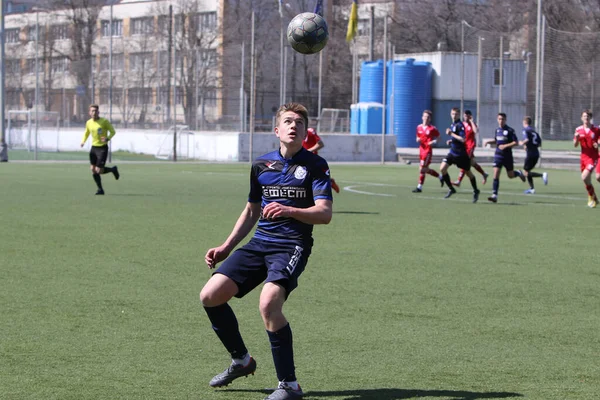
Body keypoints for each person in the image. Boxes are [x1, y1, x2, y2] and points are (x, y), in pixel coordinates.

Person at [201, 102, 333, 400]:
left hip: (291, 246)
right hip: (259, 244)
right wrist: (226, 247)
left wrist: (288, 209)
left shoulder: (316, 165)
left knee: (269, 304)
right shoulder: (261, 165)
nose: (294, 125)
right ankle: (241, 361)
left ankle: (289, 385)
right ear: (277, 130)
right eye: (288, 121)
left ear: (305, 131)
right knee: (210, 296)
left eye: (299, 122)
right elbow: (251, 212)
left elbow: (324, 214)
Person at [438, 107, 480, 202]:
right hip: (453, 153)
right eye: (453, 114)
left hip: (461, 155)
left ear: (459, 115)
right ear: (450, 114)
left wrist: (451, 134)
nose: (454, 115)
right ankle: (451, 189)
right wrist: (451, 141)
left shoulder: (460, 125)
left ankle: (476, 190)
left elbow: (462, 139)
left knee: (469, 173)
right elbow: (457, 139)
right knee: (442, 168)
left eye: (456, 114)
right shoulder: (453, 124)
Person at [482, 113, 525, 203]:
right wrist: (489, 142)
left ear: (505, 120)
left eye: (503, 119)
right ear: (497, 120)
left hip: (507, 156)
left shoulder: (510, 130)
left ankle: (519, 173)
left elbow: (515, 142)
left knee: (510, 175)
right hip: (498, 155)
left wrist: (505, 146)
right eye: (499, 119)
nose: (501, 121)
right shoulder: (497, 130)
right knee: (496, 173)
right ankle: (494, 195)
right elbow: (497, 140)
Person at [80, 104, 119, 195]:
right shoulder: (88, 122)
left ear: (98, 112)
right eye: (92, 111)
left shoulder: (104, 121)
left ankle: (113, 170)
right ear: (89, 113)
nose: (94, 112)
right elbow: (86, 132)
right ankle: (100, 189)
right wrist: (83, 141)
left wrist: (107, 138)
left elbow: (113, 131)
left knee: (99, 170)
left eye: (95, 111)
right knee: (93, 169)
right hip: (94, 148)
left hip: (102, 148)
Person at [452, 110, 489, 186]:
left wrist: (472, 121)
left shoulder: (473, 124)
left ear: (470, 116)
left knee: (464, 162)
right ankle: (484, 173)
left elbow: (475, 131)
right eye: (465, 116)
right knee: (472, 163)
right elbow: (460, 135)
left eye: (467, 116)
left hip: (470, 146)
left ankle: (459, 181)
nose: (466, 117)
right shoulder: (462, 124)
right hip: (464, 146)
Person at [573, 109, 600, 207]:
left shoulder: (596, 130)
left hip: (592, 158)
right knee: (587, 180)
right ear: (581, 118)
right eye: (584, 116)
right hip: (583, 158)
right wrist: (576, 138)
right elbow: (575, 145)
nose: (586, 118)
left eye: (588, 116)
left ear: (590, 118)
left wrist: (597, 144)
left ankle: (590, 198)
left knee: (584, 177)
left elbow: (599, 141)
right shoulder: (578, 130)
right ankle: (595, 198)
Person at [303, 127, 340, 193]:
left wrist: (308, 151)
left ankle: (329, 183)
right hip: (302, 158)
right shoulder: (295, 134)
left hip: (311, 159)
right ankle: (330, 182)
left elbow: (320, 144)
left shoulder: (310, 132)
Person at [411, 110, 441, 193]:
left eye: (427, 117)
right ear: (422, 117)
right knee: (425, 169)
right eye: (424, 116)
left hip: (427, 151)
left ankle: (419, 187)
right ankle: (440, 177)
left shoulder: (432, 128)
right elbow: (417, 136)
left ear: (430, 119)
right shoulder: (419, 127)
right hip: (421, 150)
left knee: (422, 168)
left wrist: (433, 142)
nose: (426, 118)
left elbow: (439, 137)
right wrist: (418, 139)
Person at [519, 116, 548, 194]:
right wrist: (528, 146)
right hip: (536, 153)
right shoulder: (534, 131)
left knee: (525, 172)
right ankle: (532, 189)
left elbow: (527, 139)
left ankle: (542, 175)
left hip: (530, 154)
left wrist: (522, 143)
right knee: (527, 171)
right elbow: (539, 143)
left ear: (524, 122)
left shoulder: (525, 130)